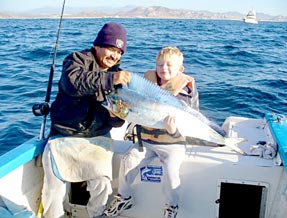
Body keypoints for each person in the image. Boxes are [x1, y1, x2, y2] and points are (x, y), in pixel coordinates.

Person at [41, 22, 131, 218]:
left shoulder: (119, 77)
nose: (114, 56)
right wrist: (109, 80)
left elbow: (117, 118)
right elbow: (73, 83)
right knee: (54, 189)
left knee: (102, 184)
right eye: (110, 48)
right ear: (98, 45)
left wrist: (117, 118)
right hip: (64, 134)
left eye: (119, 52)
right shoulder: (76, 60)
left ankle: (96, 215)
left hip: (97, 137)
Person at [104, 46, 199, 218]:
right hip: (146, 141)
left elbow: (187, 124)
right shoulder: (146, 85)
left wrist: (174, 130)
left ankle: (172, 206)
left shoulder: (185, 92)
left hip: (173, 144)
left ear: (180, 69)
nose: (164, 68)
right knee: (128, 160)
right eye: (160, 65)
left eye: (169, 65)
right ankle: (124, 197)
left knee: (171, 172)